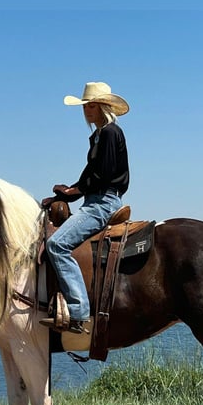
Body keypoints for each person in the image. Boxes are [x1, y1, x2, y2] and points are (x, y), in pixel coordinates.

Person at [40, 81, 130, 334]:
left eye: (91, 105)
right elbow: (90, 177)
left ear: (103, 107)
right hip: (96, 198)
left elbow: (103, 175)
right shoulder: (99, 135)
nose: (87, 110)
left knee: (57, 245)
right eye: (85, 106)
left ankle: (78, 312)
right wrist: (66, 194)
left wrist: (73, 192)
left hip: (103, 202)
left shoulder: (111, 133)